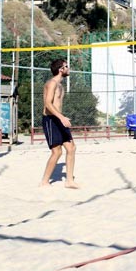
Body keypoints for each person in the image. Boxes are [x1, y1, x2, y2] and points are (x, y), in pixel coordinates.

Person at [40, 59, 79, 188]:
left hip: (59, 119)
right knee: (57, 152)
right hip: (51, 120)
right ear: (60, 69)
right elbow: (48, 104)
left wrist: (62, 117)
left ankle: (69, 181)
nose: (69, 68)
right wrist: (61, 117)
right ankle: (44, 182)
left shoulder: (60, 85)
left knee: (71, 148)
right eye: (67, 66)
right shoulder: (52, 83)